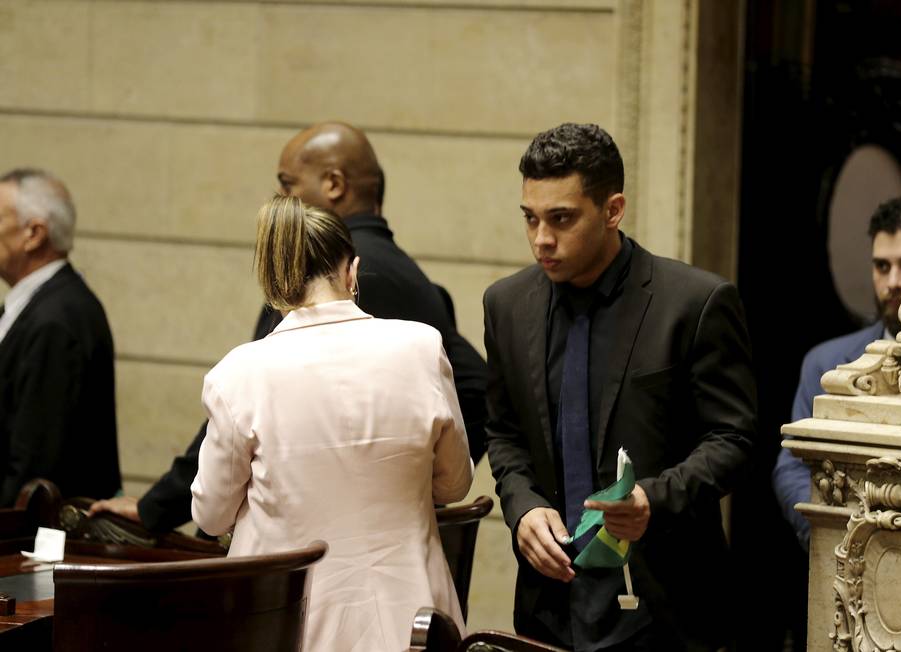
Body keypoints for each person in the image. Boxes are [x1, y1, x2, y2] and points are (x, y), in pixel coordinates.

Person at [91, 122, 486, 530]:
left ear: (334, 184)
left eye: (287, 183)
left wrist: (154, 509)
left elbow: (246, 407)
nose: (280, 199)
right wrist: (415, 489)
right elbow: (475, 387)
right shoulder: (412, 278)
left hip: (310, 550)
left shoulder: (315, 279)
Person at [484, 123, 758, 651]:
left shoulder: (695, 303)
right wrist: (521, 508)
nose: (542, 238)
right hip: (550, 601)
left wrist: (653, 500)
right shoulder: (506, 305)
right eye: (531, 218)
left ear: (612, 210)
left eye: (561, 219)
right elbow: (505, 434)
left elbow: (735, 441)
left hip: (664, 604)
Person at [191, 195, 473, 651]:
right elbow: (455, 484)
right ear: (353, 271)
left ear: (275, 282)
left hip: (286, 623)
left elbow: (210, 514)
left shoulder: (237, 373)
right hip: (410, 620)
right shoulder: (421, 347)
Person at [772, 195, 901, 550]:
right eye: (882, 266)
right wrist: (830, 537)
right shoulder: (827, 364)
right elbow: (791, 468)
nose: (893, 282)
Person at [0, 169, 120, 506]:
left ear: (34, 233)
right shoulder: (36, 305)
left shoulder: (58, 317)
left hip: (35, 539)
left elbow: (34, 460)